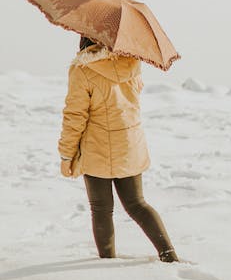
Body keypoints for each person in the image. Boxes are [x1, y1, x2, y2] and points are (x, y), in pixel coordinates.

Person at [58, 34, 179, 262]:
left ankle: (107, 262)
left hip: (98, 146)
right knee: (137, 204)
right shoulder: (132, 62)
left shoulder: (82, 69)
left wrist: (67, 155)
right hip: (129, 143)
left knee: (102, 209)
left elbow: (75, 116)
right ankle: (168, 254)